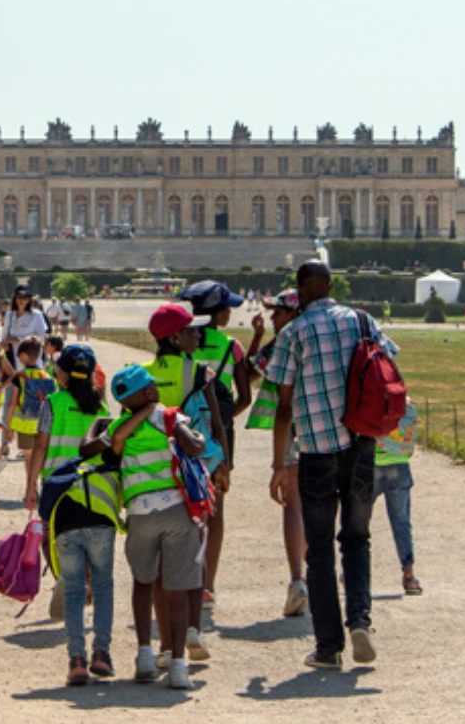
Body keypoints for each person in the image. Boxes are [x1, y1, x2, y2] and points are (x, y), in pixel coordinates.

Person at [265, 260, 398, 670]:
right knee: (357, 538)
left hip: (317, 450)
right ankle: (359, 621)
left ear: (304, 289)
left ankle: (328, 646)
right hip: (361, 443)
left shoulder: (294, 332)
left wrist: (277, 463)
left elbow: (283, 405)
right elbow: (389, 365)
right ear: (331, 285)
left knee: (320, 550)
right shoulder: (361, 320)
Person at [142, 302, 231, 662]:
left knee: (161, 561)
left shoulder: (142, 374)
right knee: (194, 553)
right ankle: (193, 629)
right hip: (194, 472)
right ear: (175, 338)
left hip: (155, 473)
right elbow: (217, 423)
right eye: (191, 330)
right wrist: (223, 462)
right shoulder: (200, 371)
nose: (198, 335)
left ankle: (165, 642)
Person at [106, 364, 205, 690]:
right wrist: (198, 438)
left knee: (143, 582)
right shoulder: (168, 417)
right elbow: (193, 446)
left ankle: (144, 656)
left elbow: (105, 447)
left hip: (139, 513)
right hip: (175, 510)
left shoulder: (122, 424)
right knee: (176, 589)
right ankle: (178, 666)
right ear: (149, 392)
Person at [24, 345, 117, 684]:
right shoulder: (103, 406)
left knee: (75, 586)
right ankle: (102, 654)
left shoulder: (53, 403)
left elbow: (41, 445)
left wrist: (31, 485)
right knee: (104, 584)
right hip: (99, 498)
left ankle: (76, 660)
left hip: (62, 499)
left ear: (61, 373)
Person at [175, 280, 245, 637]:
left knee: (185, 505)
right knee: (214, 509)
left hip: (182, 430)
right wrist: (226, 420)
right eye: (227, 307)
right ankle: (208, 583)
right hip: (218, 433)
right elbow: (244, 395)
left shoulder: (179, 339)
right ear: (219, 312)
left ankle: (186, 576)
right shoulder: (231, 347)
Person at [246, 289, 309, 617]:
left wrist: (257, 340)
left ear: (294, 313)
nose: (272, 318)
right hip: (326, 431)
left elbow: (249, 376)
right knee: (322, 504)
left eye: (278, 312)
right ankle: (316, 573)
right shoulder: (319, 339)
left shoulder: (281, 345)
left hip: (293, 432)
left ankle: (298, 580)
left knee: (293, 505)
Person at [374, 394, 422, 595]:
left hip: (372, 464)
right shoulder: (406, 402)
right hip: (400, 464)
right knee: (401, 522)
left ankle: (353, 570)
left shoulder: (373, 398)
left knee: (358, 522)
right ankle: (409, 574)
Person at [2, 337, 53, 456]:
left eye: (19, 355)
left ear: (24, 355)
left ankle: (30, 475)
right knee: (41, 454)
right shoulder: (46, 377)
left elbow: (12, 404)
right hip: (43, 424)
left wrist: (9, 428)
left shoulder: (20, 376)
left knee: (28, 455)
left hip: (25, 424)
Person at [1, 286, 49, 355]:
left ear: (29, 300)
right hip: (12, 357)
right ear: (15, 299)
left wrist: (18, 341)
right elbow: (4, 337)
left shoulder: (36, 315)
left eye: (25, 298)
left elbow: (41, 339)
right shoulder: (9, 315)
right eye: (19, 297)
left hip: (30, 357)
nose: (22, 300)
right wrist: (3, 343)